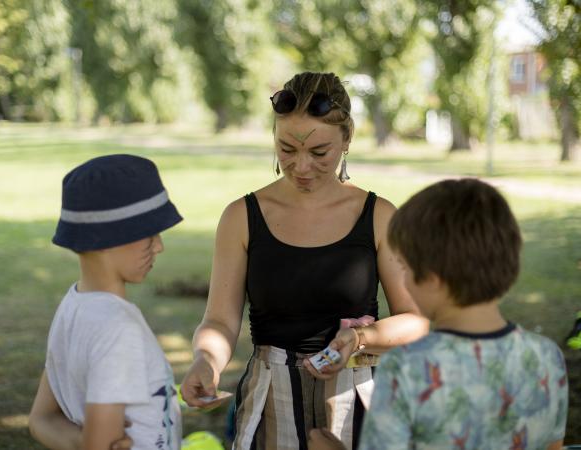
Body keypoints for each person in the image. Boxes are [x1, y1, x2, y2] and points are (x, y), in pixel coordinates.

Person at [180, 72, 429, 450]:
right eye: (286, 150)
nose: (301, 167)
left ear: (347, 140)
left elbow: (417, 322)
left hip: (358, 401)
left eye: (319, 153)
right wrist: (206, 360)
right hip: (270, 401)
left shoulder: (379, 215)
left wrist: (361, 338)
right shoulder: (240, 217)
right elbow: (218, 320)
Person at [308, 178, 569, 450]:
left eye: (405, 267)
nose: (404, 279)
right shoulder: (546, 355)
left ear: (431, 279)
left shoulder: (407, 367)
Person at [28, 154, 183, 450]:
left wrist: (83, 441)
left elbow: (41, 419)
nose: (159, 246)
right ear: (110, 237)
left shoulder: (72, 307)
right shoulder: (119, 330)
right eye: (149, 234)